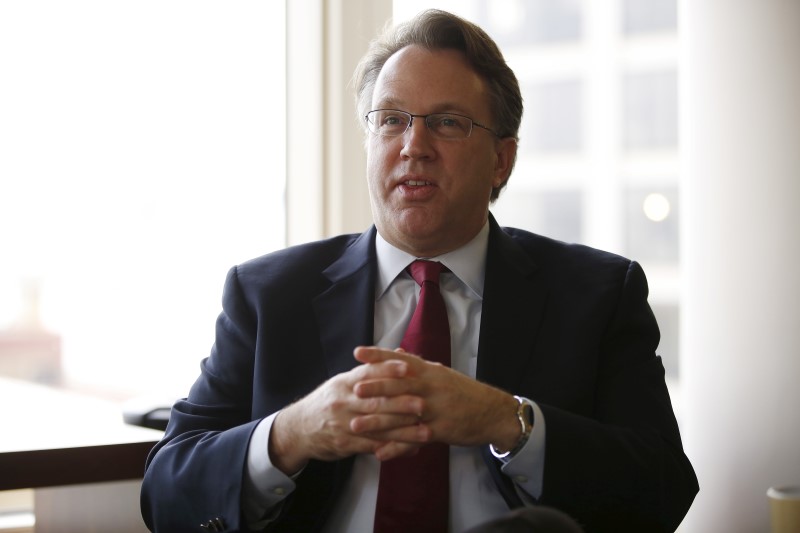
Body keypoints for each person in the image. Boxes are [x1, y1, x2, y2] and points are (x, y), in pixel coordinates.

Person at [140, 9, 698, 533]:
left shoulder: (597, 294)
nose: (414, 146)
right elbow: (165, 492)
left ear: (502, 158)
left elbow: (664, 491)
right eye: (391, 120)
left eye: (448, 122)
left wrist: (509, 421)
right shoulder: (268, 293)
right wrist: (293, 432)